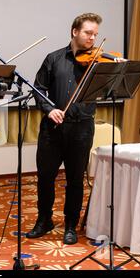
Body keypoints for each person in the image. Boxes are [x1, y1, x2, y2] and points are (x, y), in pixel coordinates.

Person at [26, 13, 104, 245]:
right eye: (88, 33)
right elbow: (38, 89)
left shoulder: (98, 63)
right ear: (74, 32)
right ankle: (44, 220)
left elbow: (107, 90)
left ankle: (70, 224)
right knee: (45, 177)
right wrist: (50, 109)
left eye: (95, 35)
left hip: (81, 129)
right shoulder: (53, 58)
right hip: (52, 129)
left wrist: (113, 72)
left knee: (75, 179)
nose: (92, 38)